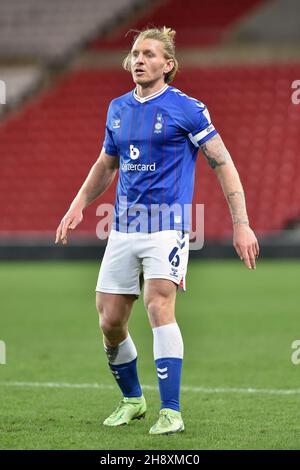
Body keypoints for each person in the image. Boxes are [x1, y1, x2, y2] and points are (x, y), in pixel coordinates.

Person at [55, 26, 259, 435]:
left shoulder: (188, 108)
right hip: (123, 227)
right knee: (110, 321)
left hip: (168, 226)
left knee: (157, 304)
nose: (139, 60)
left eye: (148, 54)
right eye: (134, 54)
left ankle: (172, 412)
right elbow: (106, 165)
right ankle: (133, 400)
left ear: (168, 65)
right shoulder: (117, 108)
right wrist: (79, 204)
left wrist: (242, 224)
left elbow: (223, 162)